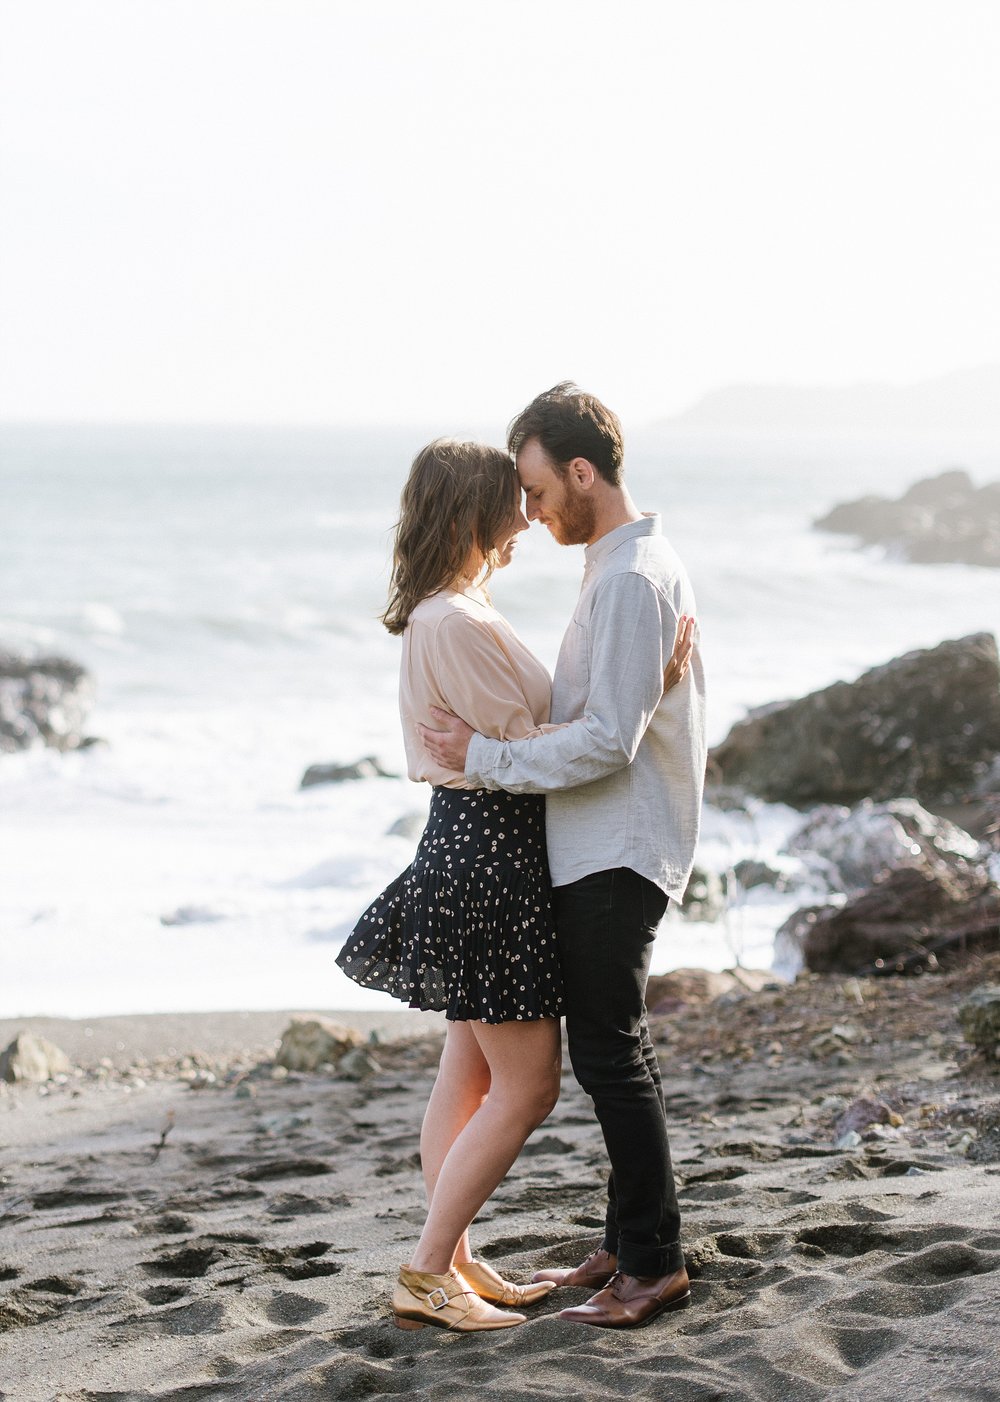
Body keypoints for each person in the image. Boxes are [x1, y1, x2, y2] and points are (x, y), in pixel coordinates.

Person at [337, 436, 693, 1334]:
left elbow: (541, 733)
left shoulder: (448, 610)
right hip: (491, 857)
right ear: (472, 516)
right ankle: (427, 1272)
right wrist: (636, 695)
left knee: (463, 1073)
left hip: (474, 849)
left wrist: (639, 686)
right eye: (512, 502)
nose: (526, 521)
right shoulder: (455, 620)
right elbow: (534, 747)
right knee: (526, 1089)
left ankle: (451, 1265)